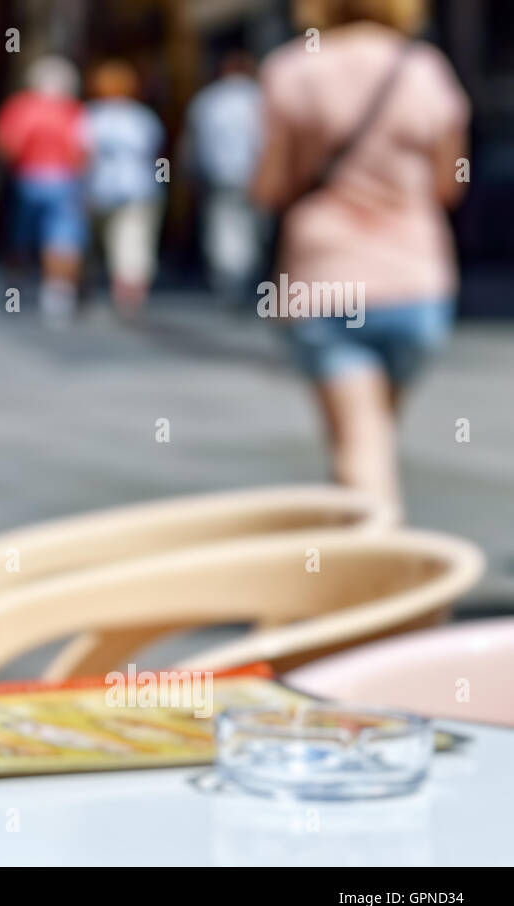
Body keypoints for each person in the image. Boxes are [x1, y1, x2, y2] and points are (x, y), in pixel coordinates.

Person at [251, 0, 469, 518]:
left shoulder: (292, 69)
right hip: (417, 279)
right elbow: (451, 182)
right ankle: (369, 554)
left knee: (359, 448)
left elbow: (268, 187)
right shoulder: (425, 69)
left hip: (328, 275)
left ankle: (388, 580)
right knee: (375, 436)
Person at [0, 56, 89, 325]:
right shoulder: (72, 110)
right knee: (62, 236)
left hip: (28, 177)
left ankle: (17, 285)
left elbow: (6, 144)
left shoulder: (21, 107)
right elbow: (84, 149)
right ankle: (57, 294)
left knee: (22, 234)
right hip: (64, 179)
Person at [85, 59, 166, 317]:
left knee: (104, 242)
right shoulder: (143, 117)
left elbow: (79, 155)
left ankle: (110, 290)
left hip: (97, 189)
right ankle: (129, 297)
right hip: (139, 188)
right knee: (134, 243)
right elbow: (156, 152)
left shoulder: (89, 116)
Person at [185, 51, 265, 306]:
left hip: (220, 175)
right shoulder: (260, 97)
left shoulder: (208, 100)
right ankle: (246, 276)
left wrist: (192, 173)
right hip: (256, 174)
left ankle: (230, 280)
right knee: (253, 227)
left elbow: (195, 142)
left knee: (223, 227)